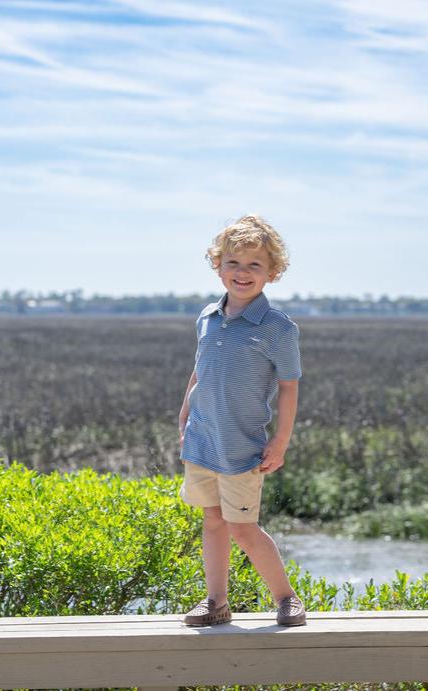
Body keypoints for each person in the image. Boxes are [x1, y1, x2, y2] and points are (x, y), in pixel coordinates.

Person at [178, 214, 306, 627]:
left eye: (254, 265)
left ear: (272, 272)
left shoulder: (277, 328)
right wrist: (184, 416)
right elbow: (199, 371)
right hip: (201, 440)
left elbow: (289, 386)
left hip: (242, 444)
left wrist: (280, 442)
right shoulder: (207, 317)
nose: (242, 273)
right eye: (233, 263)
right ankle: (216, 603)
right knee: (212, 522)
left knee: (243, 528)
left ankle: (286, 598)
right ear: (218, 266)